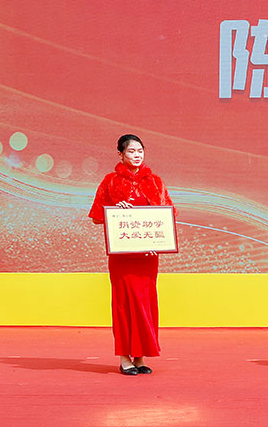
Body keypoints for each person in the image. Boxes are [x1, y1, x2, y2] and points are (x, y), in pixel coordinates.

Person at [88, 134, 175, 376]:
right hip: (123, 257)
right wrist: (115, 211)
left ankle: (140, 357)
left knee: (145, 304)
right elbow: (97, 217)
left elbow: (167, 214)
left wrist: (159, 240)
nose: (137, 155)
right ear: (121, 154)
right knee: (124, 304)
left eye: (140, 151)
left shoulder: (155, 181)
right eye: (131, 151)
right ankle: (125, 358)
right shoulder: (110, 181)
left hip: (147, 257)